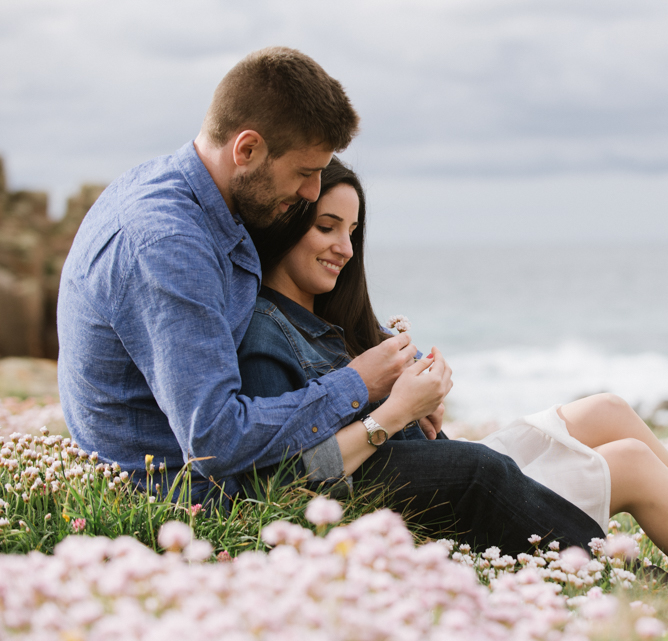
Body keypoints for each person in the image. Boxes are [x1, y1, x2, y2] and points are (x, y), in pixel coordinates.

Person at [56, 47, 605, 555]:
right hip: (191, 504)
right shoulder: (167, 244)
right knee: (476, 472)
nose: (312, 192)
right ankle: (606, 572)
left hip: (224, 472)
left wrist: (388, 387)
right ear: (246, 148)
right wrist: (359, 385)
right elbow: (214, 439)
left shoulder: (194, 201)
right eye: (305, 172)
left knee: (466, 457)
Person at [238, 157, 668, 587]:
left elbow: (384, 419)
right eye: (327, 227)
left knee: (609, 409)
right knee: (631, 463)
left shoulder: (330, 317)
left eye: (352, 232)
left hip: (436, 469)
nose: (343, 248)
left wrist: (422, 403)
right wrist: (394, 413)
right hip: (418, 512)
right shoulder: (265, 333)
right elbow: (287, 485)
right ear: (287, 226)